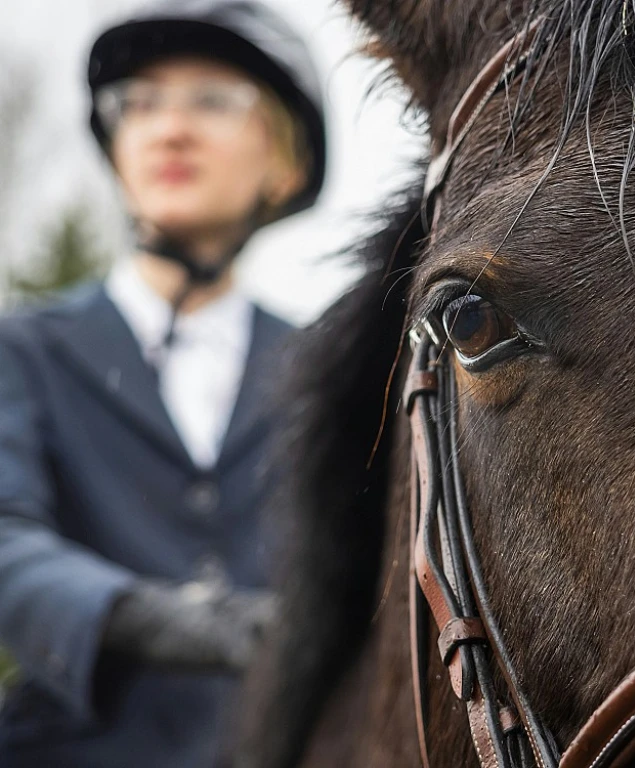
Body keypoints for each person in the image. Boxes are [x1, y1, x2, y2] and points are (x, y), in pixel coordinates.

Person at [0, 1, 326, 766]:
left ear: (284, 164)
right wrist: (146, 618)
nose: (170, 128)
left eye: (212, 100)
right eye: (141, 103)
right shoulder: (25, 349)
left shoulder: (324, 369)